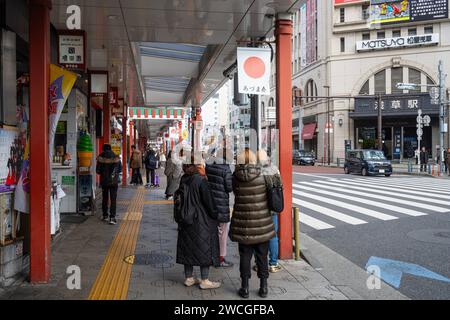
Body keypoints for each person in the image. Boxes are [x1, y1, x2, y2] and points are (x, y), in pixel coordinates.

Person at [231, 148, 276, 299]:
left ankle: (244, 288)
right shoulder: (263, 175)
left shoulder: (235, 177)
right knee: (262, 256)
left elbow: (236, 193)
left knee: (244, 256)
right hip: (262, 224)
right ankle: (263, 287)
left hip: (243, 224)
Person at [176, 162, 221, 290]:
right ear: (197, 166)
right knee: (204, 248)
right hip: (201, 221)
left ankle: (189, 278)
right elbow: (210, 203)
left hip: (185, 219)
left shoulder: (184, 179)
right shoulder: (201, 181)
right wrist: (215, 215)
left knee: (188, 247)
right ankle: (205, 280)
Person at [205, 147, 234, 268]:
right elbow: (229, 188)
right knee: (222, 233)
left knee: (212, 231)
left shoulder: (209, 166)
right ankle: (220, 258)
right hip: (221, 205)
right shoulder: (226, 168)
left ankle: (211, 256)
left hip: (210, 204)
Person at [96, 144, 122, 225]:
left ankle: (105, 215)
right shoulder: (116, 157)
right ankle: (112, 217)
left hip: (104, 181)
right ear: (111, 149)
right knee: (113, 199)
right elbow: (120, 170)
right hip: (114, 182)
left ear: (103, 149)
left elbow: (98, 171)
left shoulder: (101, 158)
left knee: (105, 198)